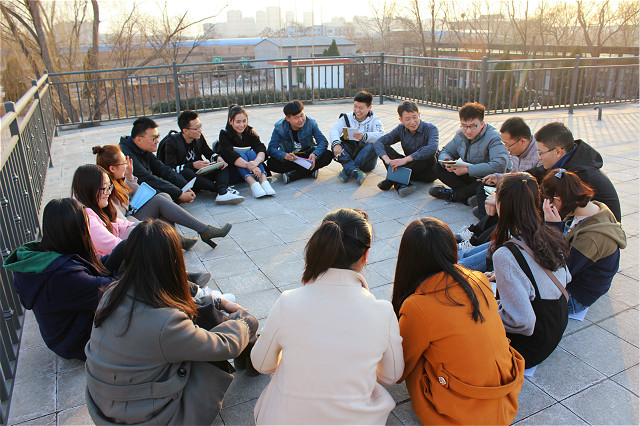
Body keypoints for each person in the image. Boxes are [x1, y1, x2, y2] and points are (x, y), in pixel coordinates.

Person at [85, 219, 259, 425]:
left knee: (200, 314)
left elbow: (172, 294)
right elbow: (222, 346)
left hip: (106, 410)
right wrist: (245, 321)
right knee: (211, 341)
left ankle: (250, 355)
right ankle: (254, 358)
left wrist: (216, 301)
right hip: (149, 419)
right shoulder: (166, 323)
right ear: (172, 261)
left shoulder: (112, 293)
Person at [251, 208, 403, 424]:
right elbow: (392, 375)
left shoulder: (288, 301)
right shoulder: (383, 311)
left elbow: (262, 365)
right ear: (365, 255)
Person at [391, 217, 524, 425]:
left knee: (415, 356)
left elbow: (398, 370)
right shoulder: (479, 279)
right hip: (506, 399)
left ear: (408, 258)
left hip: (460, 415)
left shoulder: (417, 306)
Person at [3, 198, 117, 360]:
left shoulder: (47, 255)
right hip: (80, 341)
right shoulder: (61, 275)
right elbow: (112, 290)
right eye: (86, 227)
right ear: (75, 232)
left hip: (67, 335)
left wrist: (124, 249)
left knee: (124, 252)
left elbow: (95, 269)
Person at [489, 172, 571, 368]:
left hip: (525, 349)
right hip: (554, 328)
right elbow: (566, 276)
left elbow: (523, 322)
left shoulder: (505, 254)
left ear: (501, 204)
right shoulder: (551, 233)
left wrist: (485, 311)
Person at [94, 144, 231, 250]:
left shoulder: (117, 180)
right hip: (127, 227)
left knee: (163, 196)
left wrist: (129, 177)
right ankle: (203, 231)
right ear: (112, 169)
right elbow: (119, 222)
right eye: (124, 163)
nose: (127, 165)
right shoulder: (106, 188)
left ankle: (176, 238)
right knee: (160, 201)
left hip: (130, 217)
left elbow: (132, 192)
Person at [541, 169, 626, 314]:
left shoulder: (592, 238)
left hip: (575, 296)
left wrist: (553, 228)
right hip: (574, 279)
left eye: (548, 201)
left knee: (518, 297)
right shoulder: (591, 208)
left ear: (558, 199)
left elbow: (560, 272)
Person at [456, 117, 542, 245]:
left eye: (508, 144)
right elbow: (514, 175)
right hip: (514, 191)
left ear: (522, 141)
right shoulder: (516, 151)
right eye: (504, 144)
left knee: (502, 210)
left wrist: (500, 197)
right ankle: (478, 226)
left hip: (523, 201)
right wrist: (498, 177)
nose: (506, 148)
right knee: (483, 187)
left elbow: (530, 187)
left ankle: (476, 239)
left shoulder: (539, 156)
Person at [529, 122, 621, 221]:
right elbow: (541, 172)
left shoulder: (578, 176)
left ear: (558, 152)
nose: (539, 158)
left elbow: (556, 212)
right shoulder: (573, 158)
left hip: (599, 230)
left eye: (540, 153)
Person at [431, 102, 510, 205]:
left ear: (482, 124)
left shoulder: (494, 138)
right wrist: (447, 162)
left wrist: (467, 170)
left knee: (482, 186)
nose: (468, 131)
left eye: (472, 126)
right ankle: (468, 195)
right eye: (464, 126)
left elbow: (499, 166)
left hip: (487, 178)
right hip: (470, 175)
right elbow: (446, 151)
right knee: (438, 167)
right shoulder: (461, 134)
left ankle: (454, 195)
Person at [161, 110, 245, 205]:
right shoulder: (172, 142)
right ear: (185, 131)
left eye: (200, 126)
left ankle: (222, 192)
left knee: (222, 164)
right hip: (187, 180)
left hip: (200, 173)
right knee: (187, 172)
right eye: (196, 128)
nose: (200, 130)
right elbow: (171, 168)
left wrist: (217, 158)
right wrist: (192, 165)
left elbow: (208, 152)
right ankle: (222, 190)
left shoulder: (198, 137)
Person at [119, 117, 196, 205]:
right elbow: (145, 178)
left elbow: (162, 168)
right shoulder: (126, 154)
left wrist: (185, 186)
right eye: (153, 138)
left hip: (144, 187)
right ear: (139, 139)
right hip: (130, 198)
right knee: (163, 197)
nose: (157, 141)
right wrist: (179, 194)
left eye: (157, 137)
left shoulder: (141, 147)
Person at [374, 101, 439, 197]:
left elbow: (432, 148)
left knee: (426, 154)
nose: (412, 122)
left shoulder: (431, 129)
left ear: (419, 115)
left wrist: (405, 160)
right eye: (407, 119)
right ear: (401, 120)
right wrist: (387, 160)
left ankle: (392, 179)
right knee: (385, 148)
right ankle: (400, 184)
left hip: (427, 172)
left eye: (414, 117)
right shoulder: (401, 129)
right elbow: (379, 142)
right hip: (410, 169)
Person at [72, 164, 136, 256]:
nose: (109, 192)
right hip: (105, 264)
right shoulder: (87, 219)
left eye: (109, 187)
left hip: (113, 256)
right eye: (104, 188)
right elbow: (114, 246)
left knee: (140, 228)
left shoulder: (93, 207)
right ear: (89, 189)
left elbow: (119, 224)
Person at [267, 100, 332, 184]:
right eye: (296, 117)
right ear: (287, 118)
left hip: (307, 155)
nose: (301, 120)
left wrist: (315, 154)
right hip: (291, 157)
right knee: (271, 163)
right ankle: (309, 170)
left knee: (328, 155)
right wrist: (285, 155)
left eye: (302, 115)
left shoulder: (311, 123)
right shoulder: (279, 127)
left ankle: (293, 175)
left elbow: (323, 141)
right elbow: (271, 148)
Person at [218, 105, 276, 198]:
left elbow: (261, 148)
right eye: (238, 122)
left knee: (251, 153)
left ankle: (264, 182)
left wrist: (255, 163)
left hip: (254, 168)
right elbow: (230, 155)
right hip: (235, 170)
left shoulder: (250, 132)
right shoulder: (224, 134)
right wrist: (251, 166)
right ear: (230, 121)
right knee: (240, 154)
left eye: (244, 121)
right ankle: (253, 184)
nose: (242, 125)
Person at [329, 91, 383, 185]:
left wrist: (364, 136)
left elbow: (382, 135)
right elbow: (335, 130)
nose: (357, 110)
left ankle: (348, 169)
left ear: (369, 107)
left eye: (361, 108)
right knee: (335, 145)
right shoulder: (347, 117)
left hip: (367, 161)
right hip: (351, 152)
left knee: (373, 144)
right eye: (355, 106)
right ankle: (355, 171)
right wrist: (337, 144)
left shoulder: (375, 120)